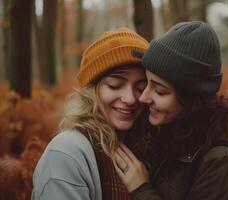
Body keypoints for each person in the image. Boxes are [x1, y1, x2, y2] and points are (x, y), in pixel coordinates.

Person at [113, 21, 228, 200]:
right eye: (146, 83)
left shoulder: (224, 166)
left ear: (191, 98)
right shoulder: (175, 134)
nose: (143, 97)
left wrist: (141, 190)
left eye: (160, 90)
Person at [31, 28, 150, 200]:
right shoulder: (66, 154)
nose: (130, 99)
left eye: (140, 88)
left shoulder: (146, 147)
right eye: (115, 85)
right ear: (91, 91)